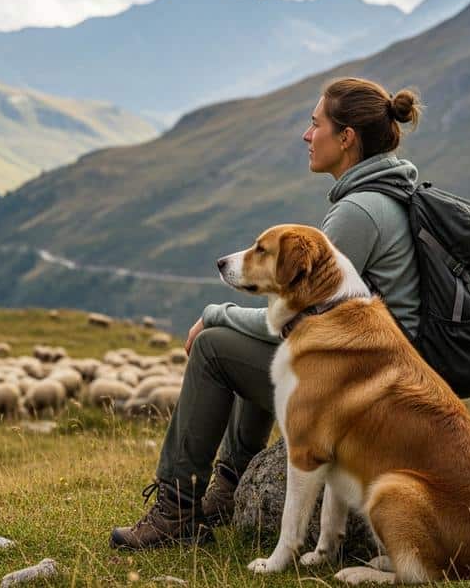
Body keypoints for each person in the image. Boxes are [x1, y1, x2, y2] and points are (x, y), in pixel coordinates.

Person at [110, 77, 425, 550]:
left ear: (346, 138)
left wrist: (214, 314)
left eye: (315, 123)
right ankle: (226, 490)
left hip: (366, 386)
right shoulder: (390, 191)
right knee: (254, 348)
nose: (306, 135)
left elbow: (298, 321)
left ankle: (177, 511)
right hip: (382, 372)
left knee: (216, 349)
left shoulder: (358, 212)